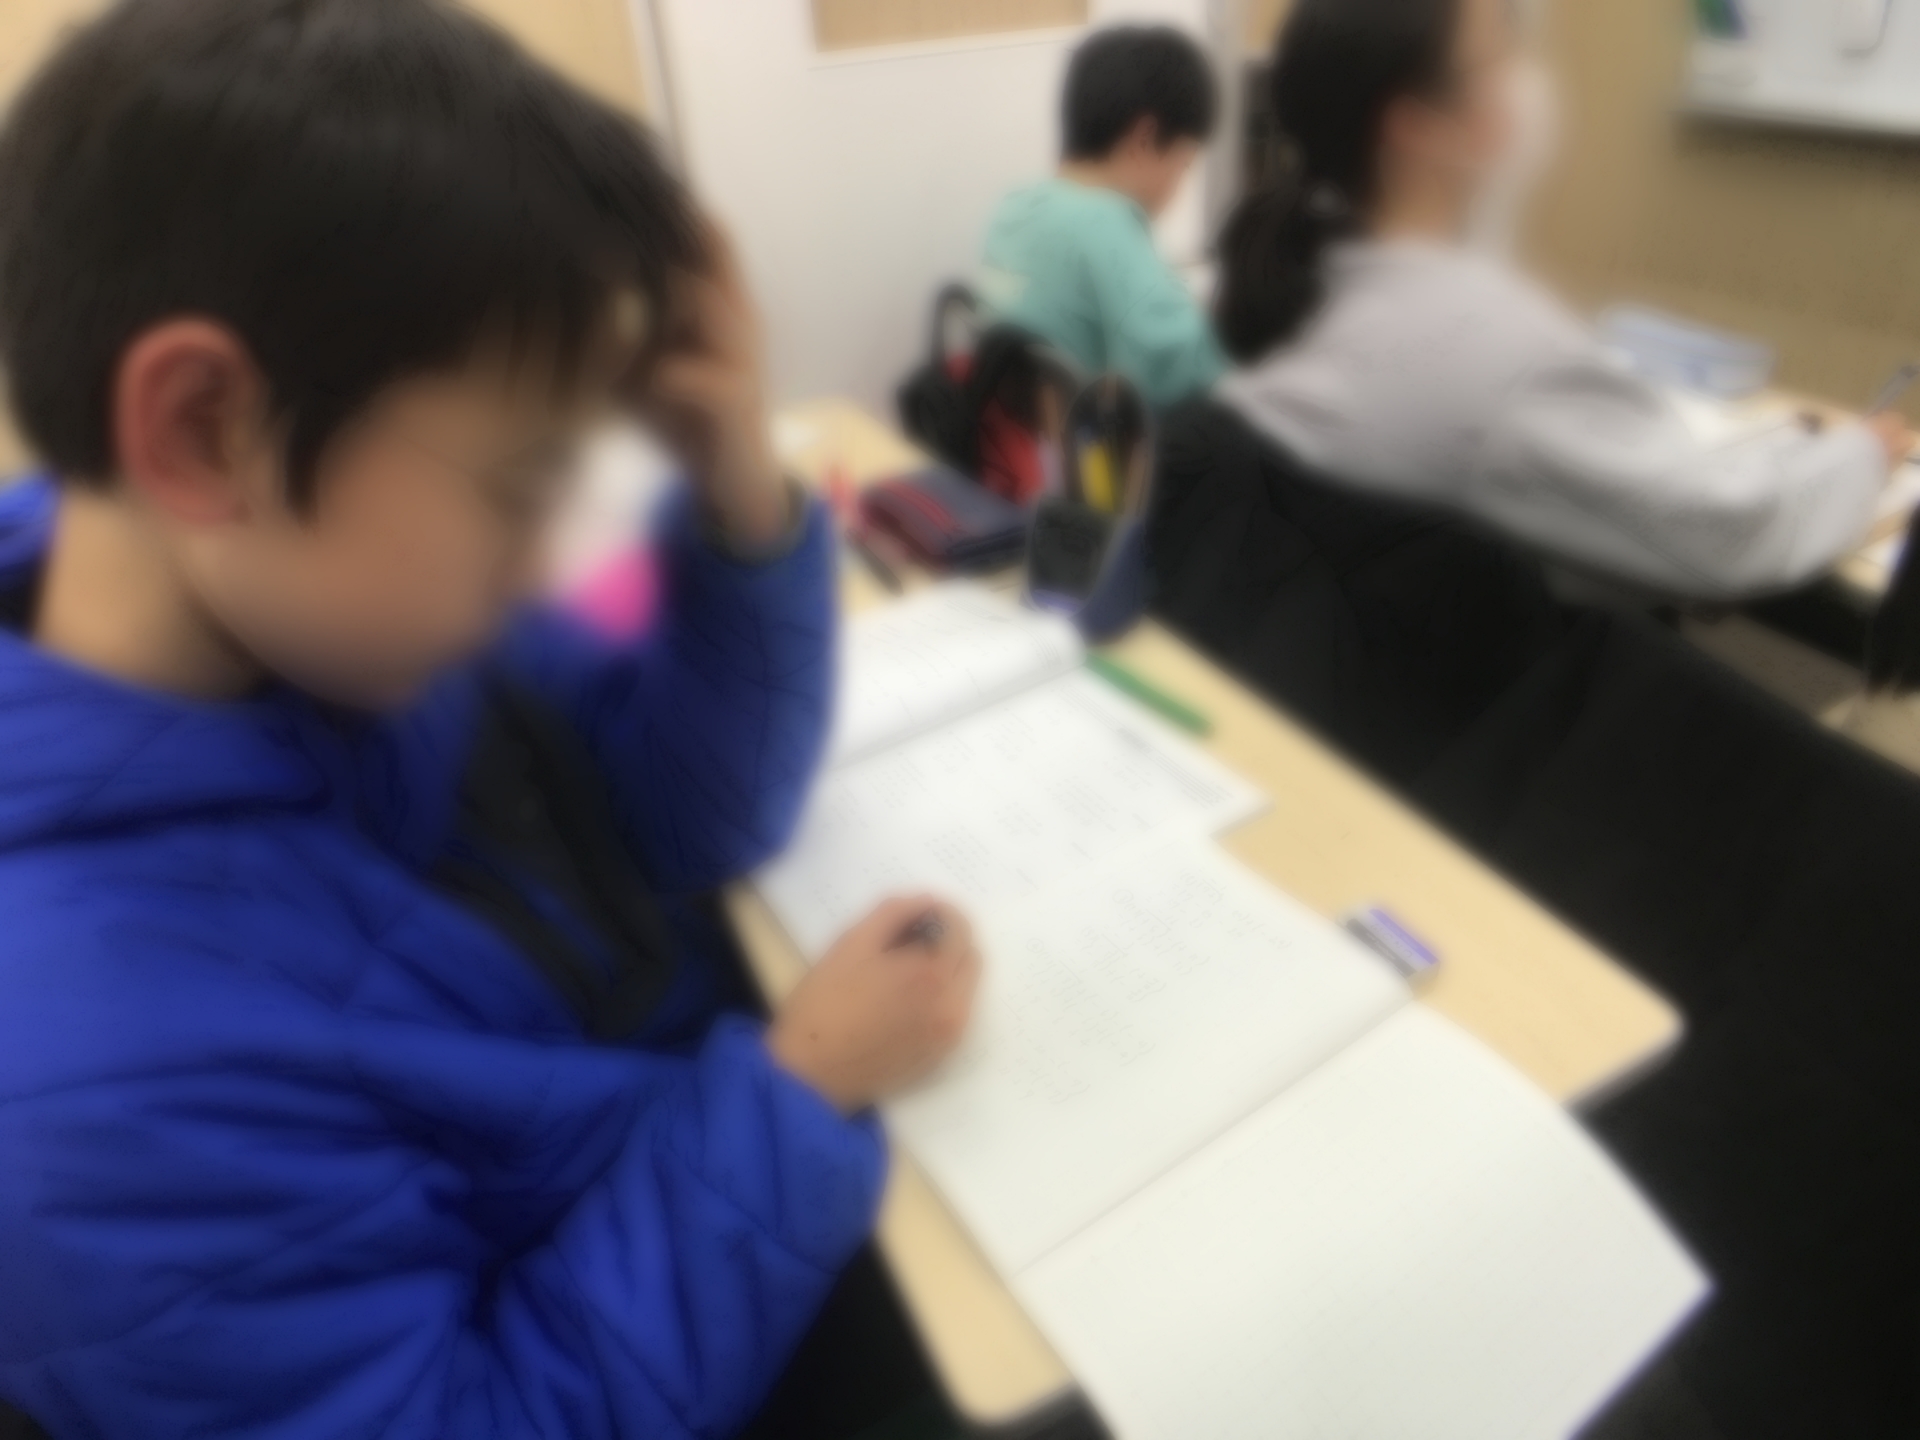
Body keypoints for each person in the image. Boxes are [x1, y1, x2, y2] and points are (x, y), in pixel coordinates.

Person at [0, 2, 980, 1437]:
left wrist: (732, 477)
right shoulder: (95, 1102)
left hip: (701, 1159)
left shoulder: (335, 601)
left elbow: (702, 818)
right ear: (204, 429)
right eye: (525, 486)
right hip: (709, 1258)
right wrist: (793, 1095)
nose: (556, 559)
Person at [1213, 0, 1909, 601]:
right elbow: (1729, 528)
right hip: (1438, 678)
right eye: (1500, 58)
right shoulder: (1487, 340)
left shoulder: (1293, 265)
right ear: (1415, 125)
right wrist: (1862, 452)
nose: (1526, 82)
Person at [980, 24, 1226, 410]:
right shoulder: (1107, 228)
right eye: (1185, 164)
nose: (1180, 186)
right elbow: (1184, 370)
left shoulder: (1016, 206)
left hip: (1015, 430)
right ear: (1144, 139)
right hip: (1095, 440)